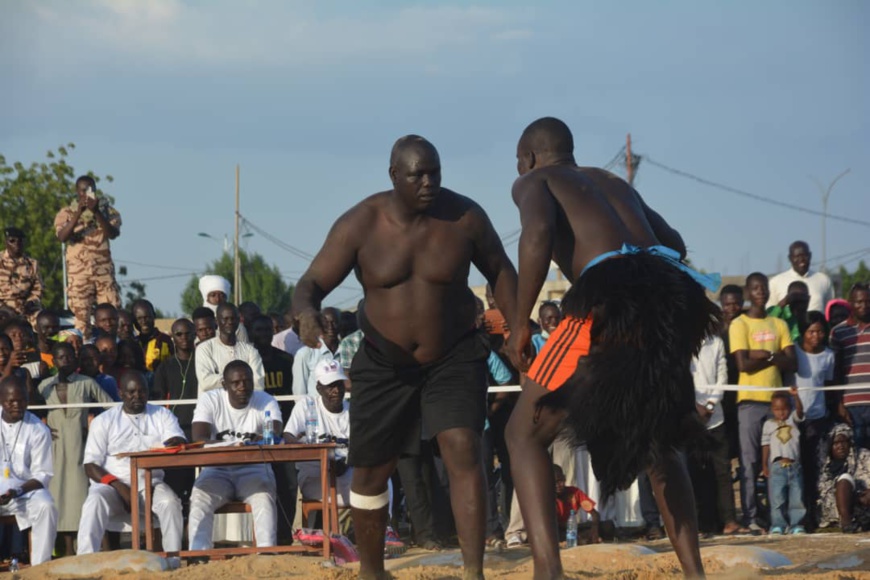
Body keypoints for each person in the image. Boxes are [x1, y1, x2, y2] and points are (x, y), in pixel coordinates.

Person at [291, 135, 520, 580]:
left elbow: (501, 269)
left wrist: (518, 326)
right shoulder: (360, 224)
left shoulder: (465, 217)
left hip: (453, 354)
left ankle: (474, 571)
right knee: (372, 470)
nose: (429, 182)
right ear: (394, 175)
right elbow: (311, 284)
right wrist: (305, 313)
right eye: (418, 174)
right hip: (382, 360)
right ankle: (372, 571)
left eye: (435, 171)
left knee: (463, 447)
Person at [502, 117, 719, 579]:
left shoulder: (534, 181)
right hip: (668, 300)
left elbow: (537, 234)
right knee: (660, 436)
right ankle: (695, 573)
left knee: (522, 432)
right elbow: (674, 243)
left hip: (605, 299)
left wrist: (520, 324)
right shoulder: (613, 183)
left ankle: (548, 572)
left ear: (528, 158)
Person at [77, 372, 186, 557]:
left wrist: (175, 441)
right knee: (94, 502)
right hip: (112, 485)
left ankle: (173, 559)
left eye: (142, 391)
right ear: (120, 393)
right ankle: (84, 559)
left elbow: (175, 439)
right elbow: (90, 465)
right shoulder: (104, 420)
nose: (137, 396)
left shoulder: (161, 414)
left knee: (170, 503)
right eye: (131, 392)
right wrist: (120, 487)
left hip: (149, 484)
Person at [187, 360, 282, 552]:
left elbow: (274, 433)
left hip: (253, 469)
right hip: (217, 469)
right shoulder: (210, 399)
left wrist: (265, 436)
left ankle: (267, 553)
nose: (243, 387)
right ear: (224, 384)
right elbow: (198, 438)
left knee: (264, 498)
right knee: (199, 497)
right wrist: (234, 445)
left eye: (247, 382)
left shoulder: (265, 400)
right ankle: (198, 554)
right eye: (236, 383)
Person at [730, 272, 796, 533]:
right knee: (749, 463)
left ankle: (780, 517)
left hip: (777, 404)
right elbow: (743, 363)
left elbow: (792, 361)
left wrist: (765, 355)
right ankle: (751, 517)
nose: (760, 292)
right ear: (748, 292)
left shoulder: (778, 323)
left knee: (779, 461)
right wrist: (774, 355)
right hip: (749, 402)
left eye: (764, 288)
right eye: (755, 288)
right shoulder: (740, 324)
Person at [38, 342, 115, 555]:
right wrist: (41, 426)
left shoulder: (86, 383)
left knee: (82, 497)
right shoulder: (44, 385)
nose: (66, 361)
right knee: (58, 496)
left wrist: (95, 425)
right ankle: (67, 551)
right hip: (54, 449)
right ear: (53, 361)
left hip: (80, 447)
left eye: (70, 357)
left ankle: (96, 550)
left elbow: (111, 407)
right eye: (61, 357)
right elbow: (31, 410)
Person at [690, 333, 746, 535]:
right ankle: (698, 525)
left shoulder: (716, 342)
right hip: (691, 418)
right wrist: (696, 407)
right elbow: (681, 377)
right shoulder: (682, 339)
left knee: (722, 472)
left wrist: (711, 404)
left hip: (716, 416)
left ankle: (729, 521)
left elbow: (722, 376)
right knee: (695, 473)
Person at [55, 176, 122, 340]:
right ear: (77, 192)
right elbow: (62, 236)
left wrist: (96, 211)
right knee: (81, 322)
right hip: (79, 277)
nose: (87, 193)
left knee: (111, 317)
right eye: (84, 190)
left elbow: (113, 233)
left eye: (91, 189)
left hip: (103, 274)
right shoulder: (66, 212)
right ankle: (84, 356)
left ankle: (112, 350)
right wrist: (78, 212)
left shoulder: (108, 211)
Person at [0, 376, 57, 566]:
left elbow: (42, 475)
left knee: (46, 505)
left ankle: (40, 567)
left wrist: (17, 491)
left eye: (22, 400)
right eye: (11, 401)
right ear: (1, 400)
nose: (17, 405)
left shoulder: (39, 429)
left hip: (23, 492)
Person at [250, 313, 297, 543]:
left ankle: (286, 535)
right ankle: (262, 538)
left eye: (267, 330)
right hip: (257, 432)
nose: (264, 335)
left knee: (287, 484)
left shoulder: (286, 360)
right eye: (258, 330)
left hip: (283, 430)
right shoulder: (250, 362)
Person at [794, 311, 835, 528]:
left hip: (817, 418)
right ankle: (795, 516)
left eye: (820, 331)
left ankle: (813, 513)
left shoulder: (828, 355)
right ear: (803, 333)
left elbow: (828, 386)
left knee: (813, 468)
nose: (816, 336)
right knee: (794, 466)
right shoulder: (795, 352)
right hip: (793, 419)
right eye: (811, 332)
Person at [152, 319, 198, 505]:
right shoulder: (165, 366)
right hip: (175, 433)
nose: (184, 337)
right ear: (173, 338)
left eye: (188, 333)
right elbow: (158, 402)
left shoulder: (203, 362)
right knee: (176, 487)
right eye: (179, 334)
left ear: (194, 335)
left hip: (198, 431)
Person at [761, 387, 806, 534]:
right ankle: (778, 524)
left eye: (784, 408)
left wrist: (796, 396)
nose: (781, 412)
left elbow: (800, 411)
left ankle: (796, 524)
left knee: (796, 497)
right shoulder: (768, 425)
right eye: (777, 409)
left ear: (789, 408)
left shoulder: (793, 419)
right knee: (777, 498)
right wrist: (764, 464)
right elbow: (765, 445)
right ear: (772, 409)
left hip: (794, 465)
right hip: (777, 466)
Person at [831, 283, 870, 448]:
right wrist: (839, 403)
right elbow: (835, 371)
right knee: (856, 456)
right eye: (859, 302)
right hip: (851, 406)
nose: (864, 306)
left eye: (868, 301)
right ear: (851, 303)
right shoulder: (838, 332)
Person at [195, 303, 264, 395]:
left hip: (244, 406)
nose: (230, 322)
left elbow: (258, 384)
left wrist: (222, 380)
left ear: (239, 320)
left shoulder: (250, 351)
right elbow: (206, 382)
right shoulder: (205, 349)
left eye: (233, 318)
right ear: (217, 321)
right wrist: (242, 380)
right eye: (225, 319)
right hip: (214, 406)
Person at [817, 423, 870, 532]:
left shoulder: (863, 455)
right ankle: (847, 523)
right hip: (836, 507)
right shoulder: (824, 465)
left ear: (849, 443)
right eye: (836, 443)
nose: (840, 446)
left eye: (843, 442)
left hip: (863, 501)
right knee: (845, 479)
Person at [767, 241, 834, 313]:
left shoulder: (823, 280)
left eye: (804, 255)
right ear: (790, 258)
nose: (801, 259)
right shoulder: (775, 282)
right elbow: (770, 314)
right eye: (797, 256)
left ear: (810, 255)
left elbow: (829, 313)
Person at [292, 307, 340, 396]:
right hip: (315, 408)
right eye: (326, 323)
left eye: (334, 322)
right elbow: (299, 392)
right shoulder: (305, 354)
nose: (330, 327)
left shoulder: (347, 350)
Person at [0, 227, 43, 326]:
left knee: (43, 320)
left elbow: (38, 289)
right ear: (6, 242)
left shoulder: (32, 264)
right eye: (12, 241)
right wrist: (4, 308)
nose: (16, 244)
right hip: (3, 307)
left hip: (26, 307)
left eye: (20, 241)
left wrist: (30, 303)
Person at [553, 464, 599, 545]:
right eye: (554, 483)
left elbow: (594, 514)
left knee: (608, 526)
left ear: (564, 478)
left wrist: (594, 530)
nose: (558, 486)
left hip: (573, 527)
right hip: (558, 530)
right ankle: (580, 539)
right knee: (556, 534)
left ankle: (584, 537)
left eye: (560, 481)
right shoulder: (547, 497)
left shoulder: (574, 492)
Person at [198, 275, 249, 343]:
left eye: (222, 295)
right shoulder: (197, 324)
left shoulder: (237, 327)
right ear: (206, 297)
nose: (218, 299)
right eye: (213, 295)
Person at [132, 299, 173, 372]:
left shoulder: (164, 341)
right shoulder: (133, 342)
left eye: (147, 317)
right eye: (139, 318)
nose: (144, 322)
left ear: (154, 316)